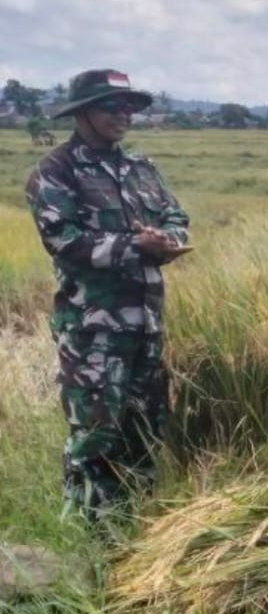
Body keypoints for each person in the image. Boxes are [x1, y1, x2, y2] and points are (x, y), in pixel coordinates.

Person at [25, 69, 191, 521]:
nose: (125, 116)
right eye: (112, 107)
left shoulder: (141, 169)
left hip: (148, 326)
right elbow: (66, 244)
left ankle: (134, 531)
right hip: (93, 332)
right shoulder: (55, 172)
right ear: (83, 113)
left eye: (130, 108)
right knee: (94, 437)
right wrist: (135, 245)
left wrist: (167, 237)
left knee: (145, 431)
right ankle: (83, 540)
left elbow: (176, 216)